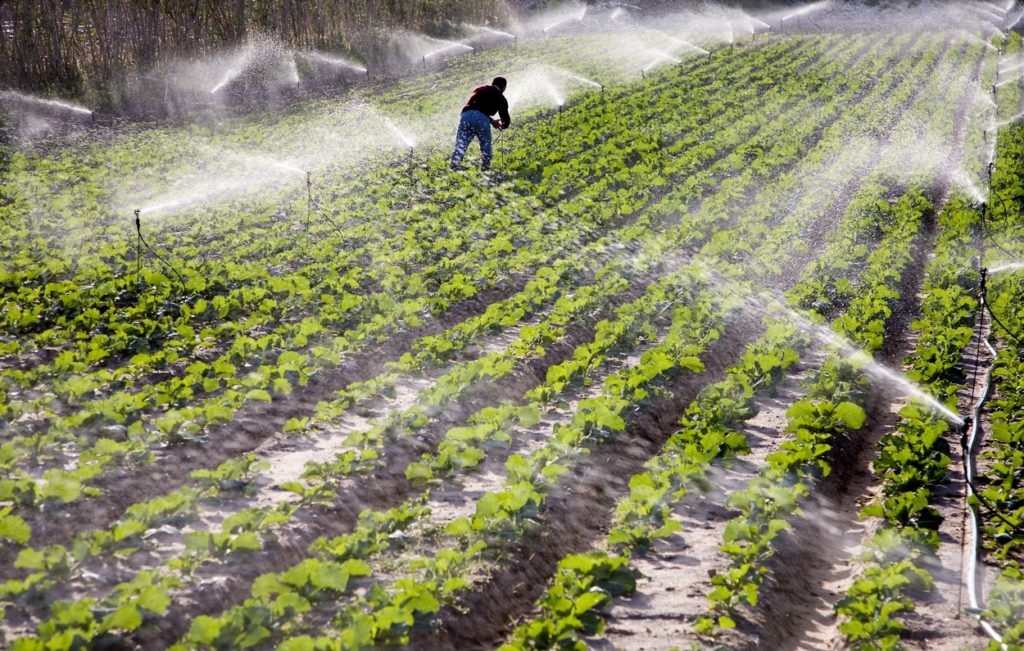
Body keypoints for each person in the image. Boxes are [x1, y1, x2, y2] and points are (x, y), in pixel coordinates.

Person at [450, 76, 511, 171]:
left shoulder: (480, 89)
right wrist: (505, 125)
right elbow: (504, 116)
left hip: (465, 115)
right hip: (481, 119)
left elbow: (476, 108)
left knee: (462, 142)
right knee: (485, 143)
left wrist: (491, 121)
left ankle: (454, 164)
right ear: (504, 87)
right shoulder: (499, 95)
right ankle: (485, 167)